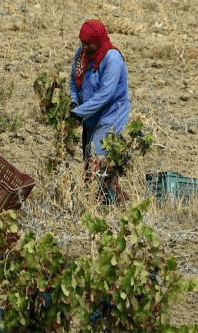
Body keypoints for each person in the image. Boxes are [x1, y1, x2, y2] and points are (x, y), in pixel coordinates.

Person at [68, 19, 131, 204]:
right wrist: (73, 103)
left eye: (88, 43)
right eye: (82, 42)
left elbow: (105, 94)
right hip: (90, 113)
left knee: (97, 155)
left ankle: (92, 200)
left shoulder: (112, 58)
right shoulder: (81, 55)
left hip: (112, 113)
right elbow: (74, 82)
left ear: (98, 40)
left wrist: (79, 112)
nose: (84, 47)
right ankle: (114, 199)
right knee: (89, 157)